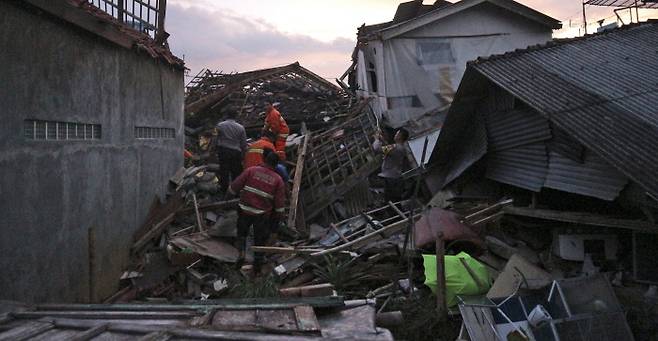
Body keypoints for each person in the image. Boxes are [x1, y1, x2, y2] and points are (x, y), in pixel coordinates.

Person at [228, 150, 286, 273]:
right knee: (260, 239)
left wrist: (228, 199)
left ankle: (242, 253)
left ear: (264, 160)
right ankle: (257, 266)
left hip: (244, 209)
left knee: (242, 234)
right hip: (261, 214)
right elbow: (279, 206)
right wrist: (276, 224)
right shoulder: (278, 180)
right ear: (276, 165)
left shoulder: (251, 171)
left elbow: (234, 187)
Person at [372, 128, 410, 202]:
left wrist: (377, 139)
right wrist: (382, 140)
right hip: (395, 177)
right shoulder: (401, 148)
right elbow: (388, 149)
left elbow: (377, 148)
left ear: (400, 136)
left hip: (390, 179)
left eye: (397, 134)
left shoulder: (395, 147)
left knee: (390, 200)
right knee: (394, 200)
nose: (395, 135)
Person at [216, 113, 247, 193]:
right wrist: (244, 155)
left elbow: (216, 138)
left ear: (226, 116)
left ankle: (224, 190)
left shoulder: (220, 125)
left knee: (224, 171)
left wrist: (216, 150)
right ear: (235, 116)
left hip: (223, 151)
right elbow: (243, 144)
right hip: (235, 152)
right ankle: (235, 191)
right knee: (236, 172)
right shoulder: (241, 128)